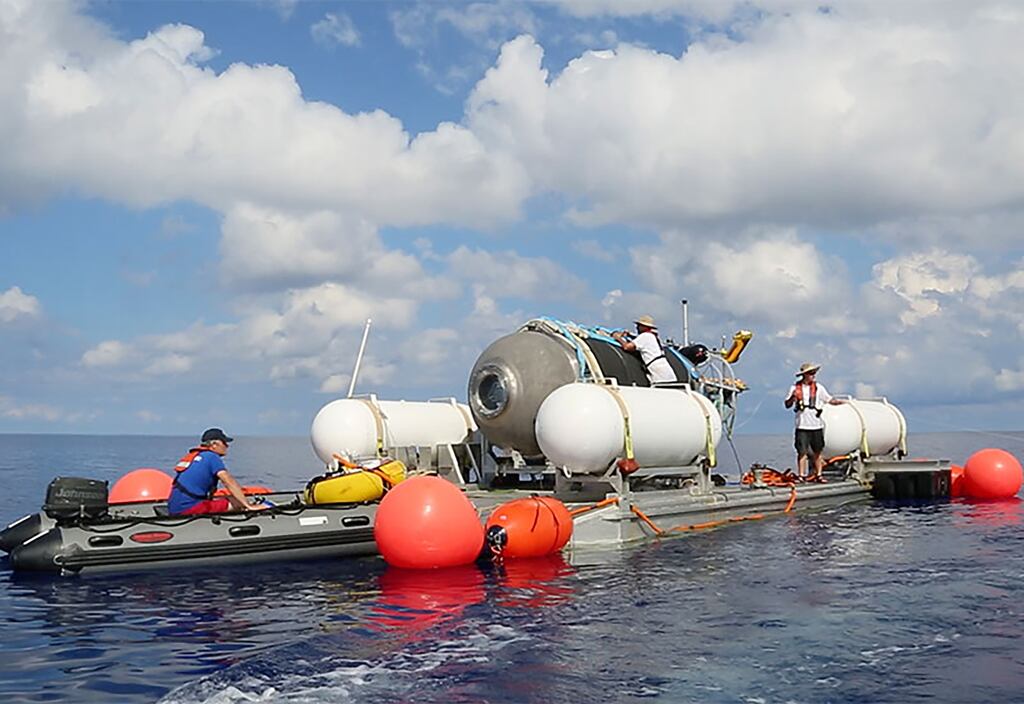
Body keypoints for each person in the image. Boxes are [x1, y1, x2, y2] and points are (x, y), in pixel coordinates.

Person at [167, 428, 269, 515]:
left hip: (174, 506)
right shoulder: (212, 456)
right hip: (188, 508)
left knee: (230, 498)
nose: (227, 446)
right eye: (224, 443)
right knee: (237, 502)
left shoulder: (197, 456)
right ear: (214, 444)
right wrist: (248, 505)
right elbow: (228, 481)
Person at [784, 363, 844, 481]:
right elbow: (787, 404)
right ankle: (801, 475)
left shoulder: (819, 388)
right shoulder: (794, 388)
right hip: (802, 425)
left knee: (818, 451)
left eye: (814, 373)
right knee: (802, 452)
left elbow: (829, 399)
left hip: (816, 425)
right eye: (811, 373)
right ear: (804, 375)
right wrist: (793, 397)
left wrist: (840, 403)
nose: (813, 376)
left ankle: (819, 475)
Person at [612, 315, 677, 384]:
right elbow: (638, 339)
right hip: (666, 372)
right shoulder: (652, 336)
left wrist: (618, 338)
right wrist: (629, 334)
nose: (637, 327)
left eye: (639, 326)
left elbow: (627, 347)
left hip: (660, 374)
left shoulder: (645, 336)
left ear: (644, 327)